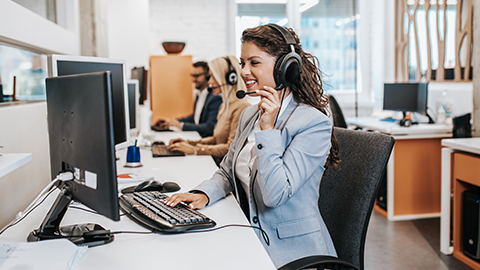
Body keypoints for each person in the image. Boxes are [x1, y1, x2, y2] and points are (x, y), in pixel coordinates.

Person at [164, 24, 340, 268]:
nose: (244, 71)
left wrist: (268, 132)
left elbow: (274, 195)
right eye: (242, 62)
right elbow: (226, 172)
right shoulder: (249, 114)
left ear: (285, 68)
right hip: (249, 234)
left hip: (292, 254)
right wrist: (203, 194)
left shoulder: (313, 123)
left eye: (254, 63)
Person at [167, 56, 251, 165]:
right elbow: (215, 139)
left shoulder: (241, 107)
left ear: (231, 78)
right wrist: (189, 143)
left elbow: (230, 148)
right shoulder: (225, 106)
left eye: (213, 77)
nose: (210, 81)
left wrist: (196, 150)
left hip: (227, 170)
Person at [153, 61, 222, 137]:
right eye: (192, 75)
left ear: (207, 76)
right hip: (196, 137)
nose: (193, 80)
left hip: (205, 141)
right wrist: (173, 121)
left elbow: (210, 127)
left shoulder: (215, 98)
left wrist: (182, 126)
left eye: (196, 76)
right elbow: (195, 118)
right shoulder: (199, 94)